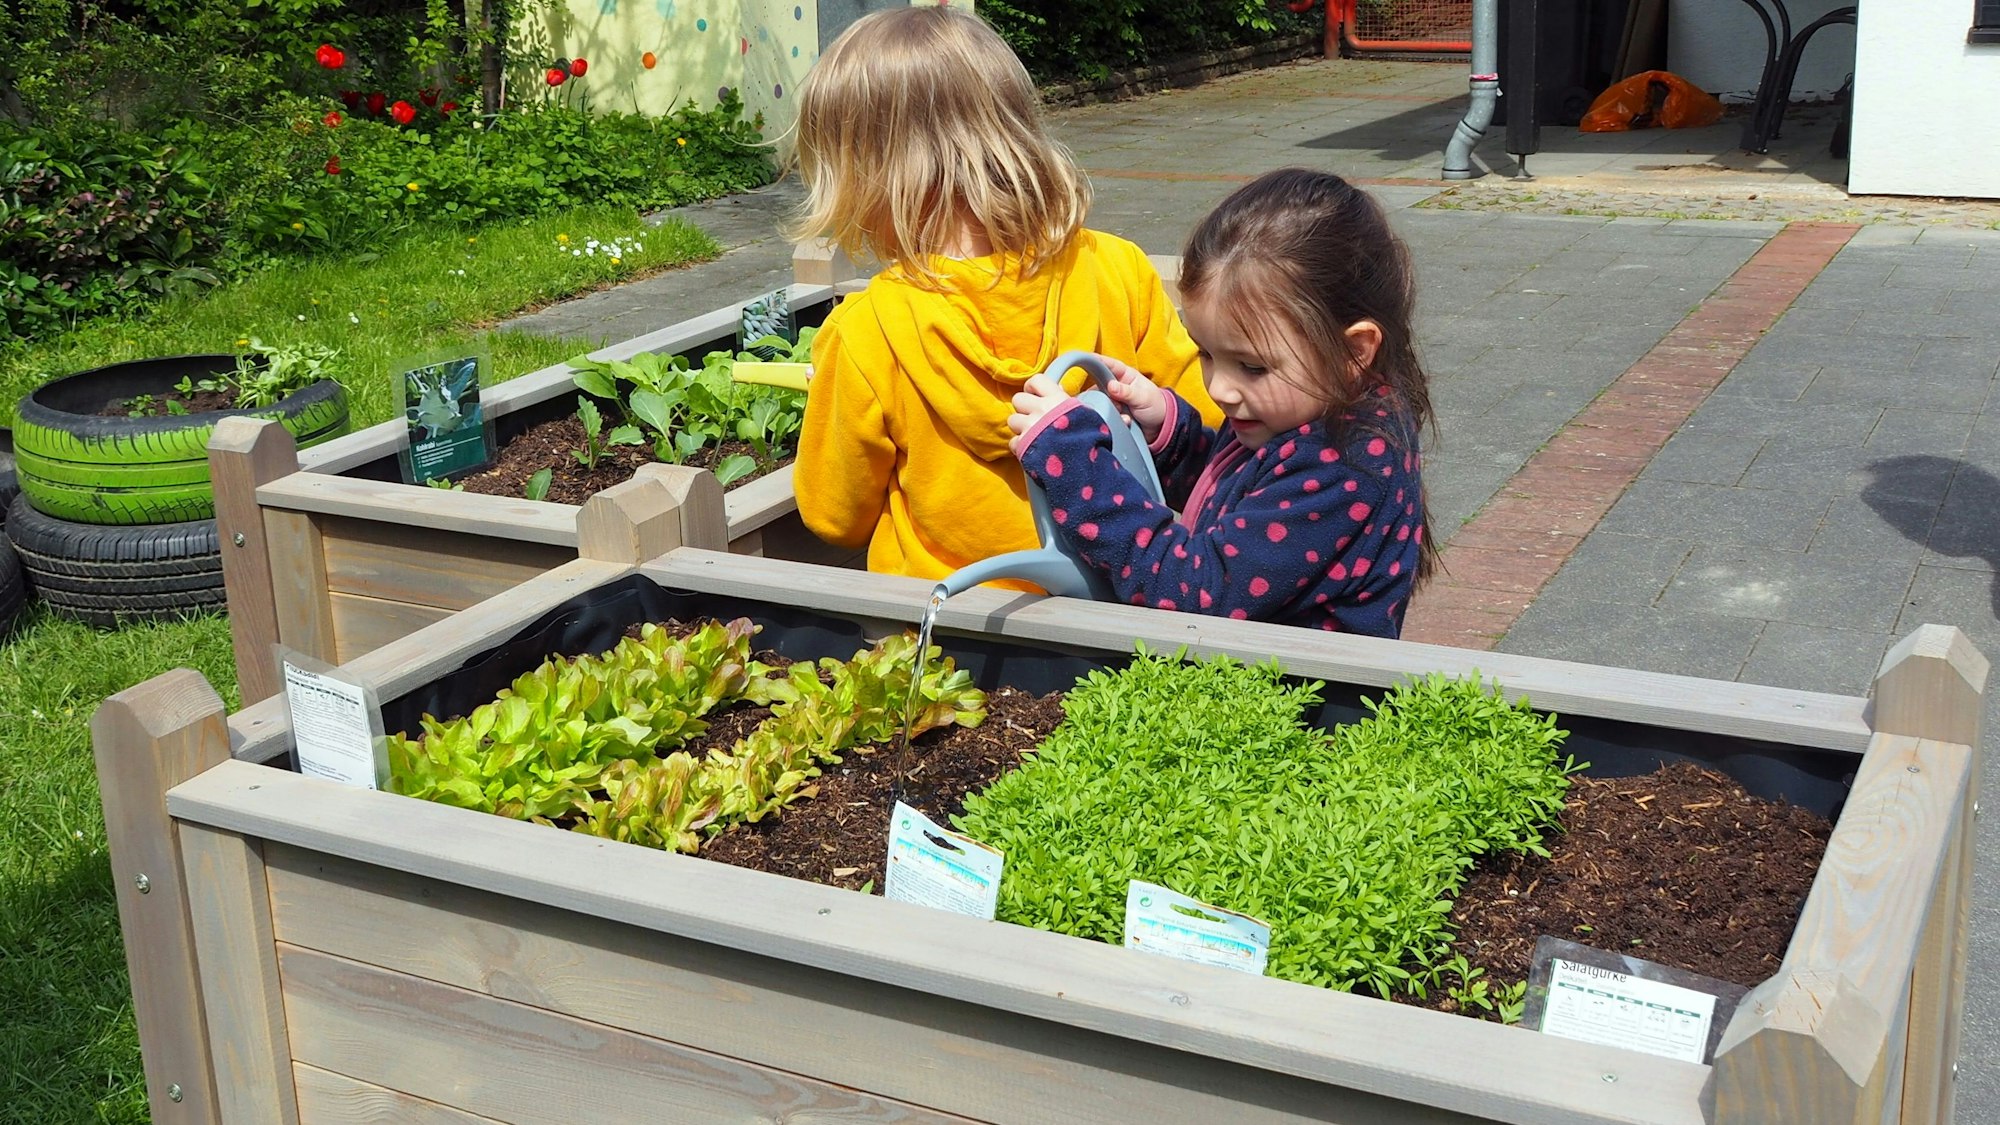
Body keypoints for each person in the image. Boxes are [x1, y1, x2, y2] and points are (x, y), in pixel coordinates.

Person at [784, 5, 1221, 587]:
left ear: (864, 177)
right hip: (1121, 606)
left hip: (948, 633)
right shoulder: (1115, 269)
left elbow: (834, 517)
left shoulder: (869, 330)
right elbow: (1208, 428)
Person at [1005, 168, 1436, 637]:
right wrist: (1167, 433)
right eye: (1206, 353)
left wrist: (1074, 462)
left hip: (1299, 703)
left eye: (1252, 367)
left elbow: (1194, 592)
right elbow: (1244, 502)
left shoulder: (1346, 461)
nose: (1219, 389)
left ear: (1353, 351)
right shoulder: (1304, 412)